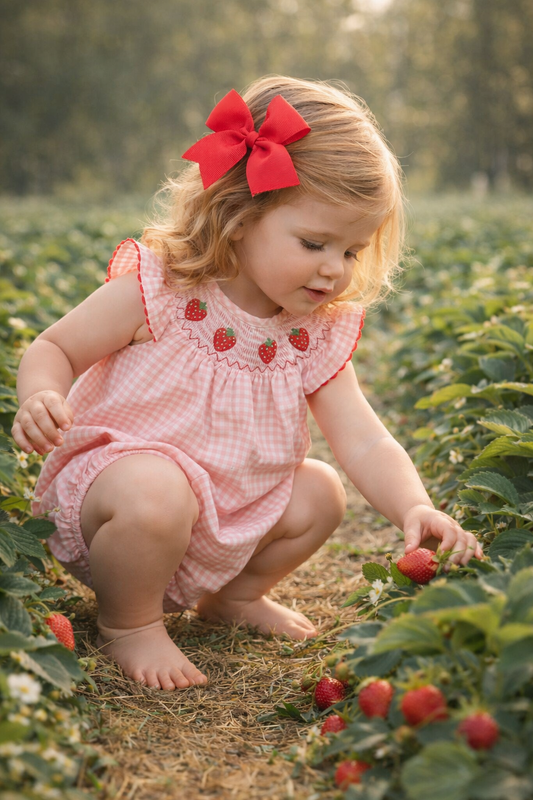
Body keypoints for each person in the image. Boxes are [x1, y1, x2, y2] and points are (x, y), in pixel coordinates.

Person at [12, 76, 483, 692]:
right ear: (239, 215)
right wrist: (41, 394)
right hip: (120, 503)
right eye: (315, 242)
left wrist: (413, 504)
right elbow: (55, 346)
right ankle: (129, 622)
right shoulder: (164, 291)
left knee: (321, 492)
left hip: (222, 518)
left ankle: (231, 597)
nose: (333, 269)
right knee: (160, 488)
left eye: (351, 251)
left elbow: (364, 439)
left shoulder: (310, 331)